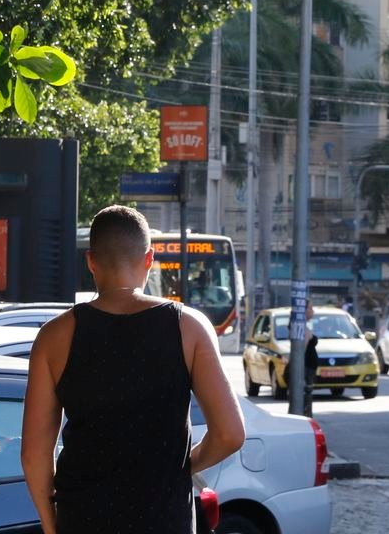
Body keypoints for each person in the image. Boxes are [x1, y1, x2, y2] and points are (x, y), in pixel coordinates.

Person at [23, 206, 244, 534]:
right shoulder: (189, 327)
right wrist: (182, 466)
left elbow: (34, 454)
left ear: (91, 261)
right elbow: (230, 434)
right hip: (165, 521)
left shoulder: (54, 336)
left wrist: (51, 524)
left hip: (83, 519)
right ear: (149, 259)